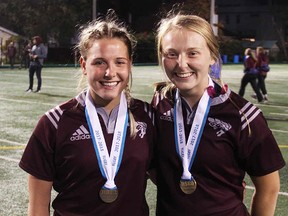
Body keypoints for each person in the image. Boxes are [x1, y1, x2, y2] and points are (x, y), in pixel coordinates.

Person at [19, 11, 155, 216]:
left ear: (129, 65)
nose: (110, 72)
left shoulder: (147, 116)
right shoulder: (54, 123)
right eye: (99, 62)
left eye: (119, 62)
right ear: (84, 65)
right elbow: (38, 208)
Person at [151, 10, 285, 216]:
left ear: (212, 56)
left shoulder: (243, 115)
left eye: (192, 53)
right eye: (171, 53)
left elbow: (269, 187)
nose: (181, 63)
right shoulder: (160, 102)